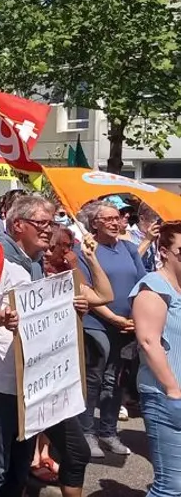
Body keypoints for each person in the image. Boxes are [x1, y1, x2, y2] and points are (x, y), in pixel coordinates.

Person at [0, 195, 89, 497]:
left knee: (19, 467)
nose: (49, 230)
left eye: (52, 223)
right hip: (1, 382)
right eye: (42, 223)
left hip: (31, 385)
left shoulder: (34, 264)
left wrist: (74, 309)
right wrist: (0, 316)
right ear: (18, 225)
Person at [76, 199, 146, 458]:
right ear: (94, 223)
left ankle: (108, 431)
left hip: (127, 326)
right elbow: (86, 289)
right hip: (97, 324)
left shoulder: (129, 248)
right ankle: (87, 432)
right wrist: (113, 318)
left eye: (118, 218)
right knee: (93, 379)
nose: (116, 222)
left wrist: (136, 318)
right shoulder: (85, 249)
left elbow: (142, 283)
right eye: (109, 219)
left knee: (115, 381)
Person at [131, 220, 181, 497]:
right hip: (165, 396)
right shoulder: (152, 287)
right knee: (171, 487)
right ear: (163, 251)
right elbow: (149, 342)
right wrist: (173, 392)